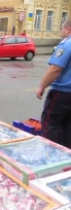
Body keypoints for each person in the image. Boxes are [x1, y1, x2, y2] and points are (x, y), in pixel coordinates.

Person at [36, 19, 71, 148]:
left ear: (68, 29)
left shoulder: (66, 44)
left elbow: (55, 68)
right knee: (67, 126)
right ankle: (66, 157)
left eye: (62, 29)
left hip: (62, 93)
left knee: (51, 124)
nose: (61, 32)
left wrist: (41, 86)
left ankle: (51, 154)